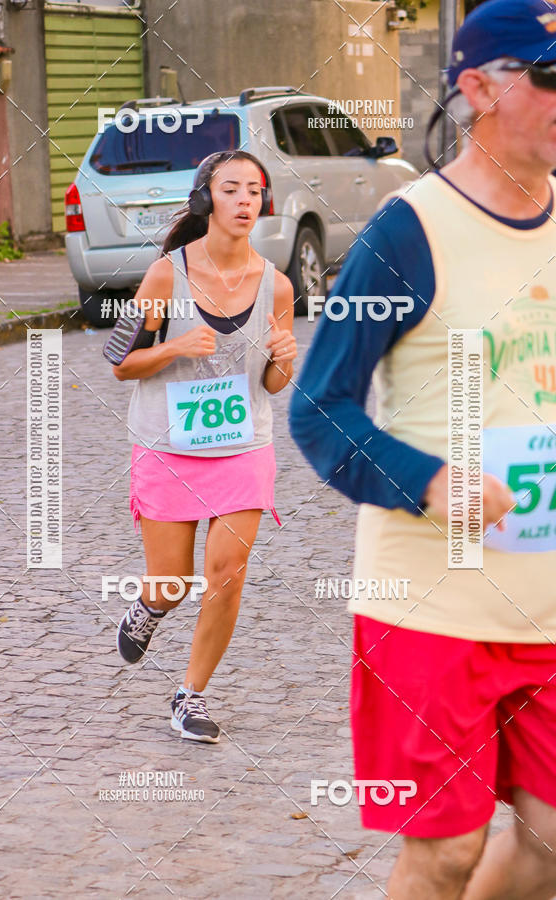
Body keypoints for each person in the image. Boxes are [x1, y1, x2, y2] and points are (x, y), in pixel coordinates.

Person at [289, 0, 556, 896]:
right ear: (477, 89)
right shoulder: (409, 230)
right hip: (432, 611)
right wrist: (428, 479)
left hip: (548, 608)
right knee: (444, 852)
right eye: (550, 77)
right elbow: (319, 409)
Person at [113, 150, 296, 743]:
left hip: (243, 445)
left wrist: (283, 366)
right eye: (231, 189)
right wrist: (172, 347)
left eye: (254, 191)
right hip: (169, 444)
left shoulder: (278, 285)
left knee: (228, 573)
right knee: (172, 580)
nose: (244, 200)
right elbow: (122, 363)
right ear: (205, 201)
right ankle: (150, 606)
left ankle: (191, 696)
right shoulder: (167, 274)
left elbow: (269, 385)